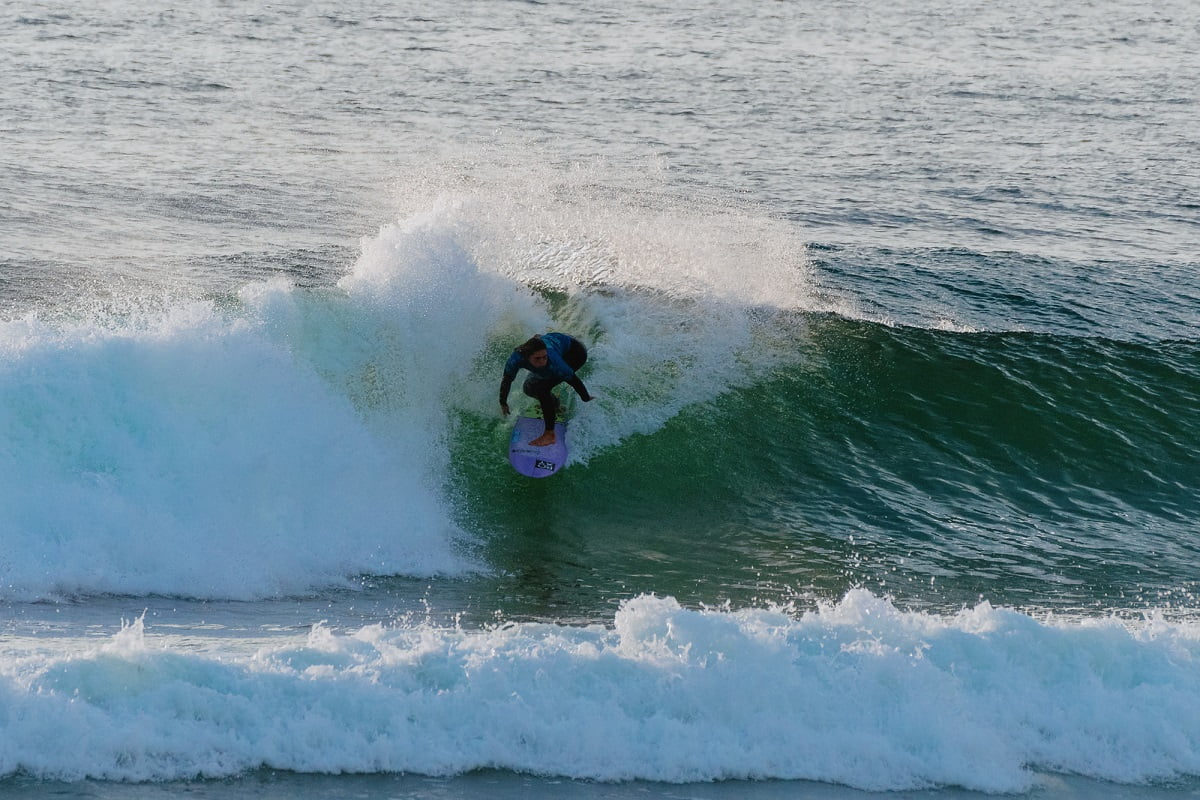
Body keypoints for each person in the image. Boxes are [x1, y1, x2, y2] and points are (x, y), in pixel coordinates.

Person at [499, 333, 593, 447]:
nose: (542, 362)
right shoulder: (516, 358)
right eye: (537, 359)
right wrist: (503, 402)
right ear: (526, 357)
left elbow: (574, 380)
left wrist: (585, 397)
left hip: (575, 352)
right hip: (555, 343)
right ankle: (554, 404)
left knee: (541, 389)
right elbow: (507, 379)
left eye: (544, 357)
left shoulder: (554, 362)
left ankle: (549, 434)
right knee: (529, 387)